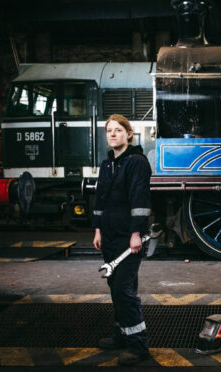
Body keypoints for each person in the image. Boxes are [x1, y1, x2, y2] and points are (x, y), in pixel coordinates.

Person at [92, 114, 151, 366]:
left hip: (129, 238)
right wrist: (97, 230)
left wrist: (136, 233)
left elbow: (140, 199)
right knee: (115, 287)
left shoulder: (136, 162)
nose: (112, 134)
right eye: (109, 130)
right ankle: (121, 334)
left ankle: (138, 346)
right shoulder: (107, 164)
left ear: (129, 134)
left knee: (123, 290)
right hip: (109, 236)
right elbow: (99, 199)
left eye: (118, 130)